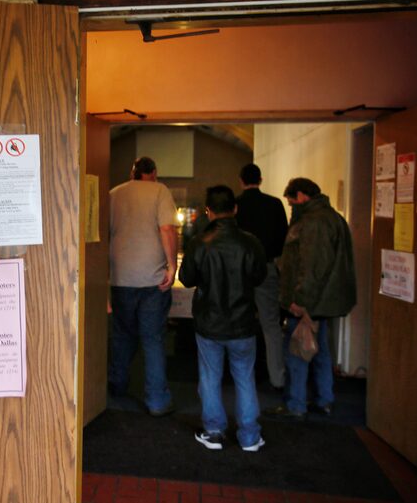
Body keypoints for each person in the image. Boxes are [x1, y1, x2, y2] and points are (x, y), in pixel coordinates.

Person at [179, 185, 267, 451]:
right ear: (235, 209)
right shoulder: (250, 242)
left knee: (210, 378)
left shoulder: (199, 243)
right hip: (243, 325)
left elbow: (186, 279)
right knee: (244, 378)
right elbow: (260, 277)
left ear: (208, 211)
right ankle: (250, 437)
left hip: (209, 324)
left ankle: (215, 432)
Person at [265, 177, 356, 419]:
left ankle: (295, 404)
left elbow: (311, 266)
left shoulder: (312, 223)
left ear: (303, 196)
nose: (291, 205)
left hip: (309, 302)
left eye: (292, 200)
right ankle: (324, 400)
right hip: (326, 300)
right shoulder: (333, 218)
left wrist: (299, 300)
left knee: (297, 350)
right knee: (321, 350)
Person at [108, 156, 178, 416]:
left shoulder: (114, 194)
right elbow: (168, 229)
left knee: (122, 336)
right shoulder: (160, 191)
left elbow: (102, 235)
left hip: (120, 278)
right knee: (153, 339)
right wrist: (172, 266)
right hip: (152, 280)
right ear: (154, 173)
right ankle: (157, 401)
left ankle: (116, 388)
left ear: (132, 172)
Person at [235, 163, 289, 389]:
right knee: (271, 325)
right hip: (266, 268)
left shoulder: (236, 205)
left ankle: (241, 376)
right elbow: (282, 240)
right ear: (261, 179)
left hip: (239, 271)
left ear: (241, 180)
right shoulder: (274, 204)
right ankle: (277, 378)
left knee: (239, 322)